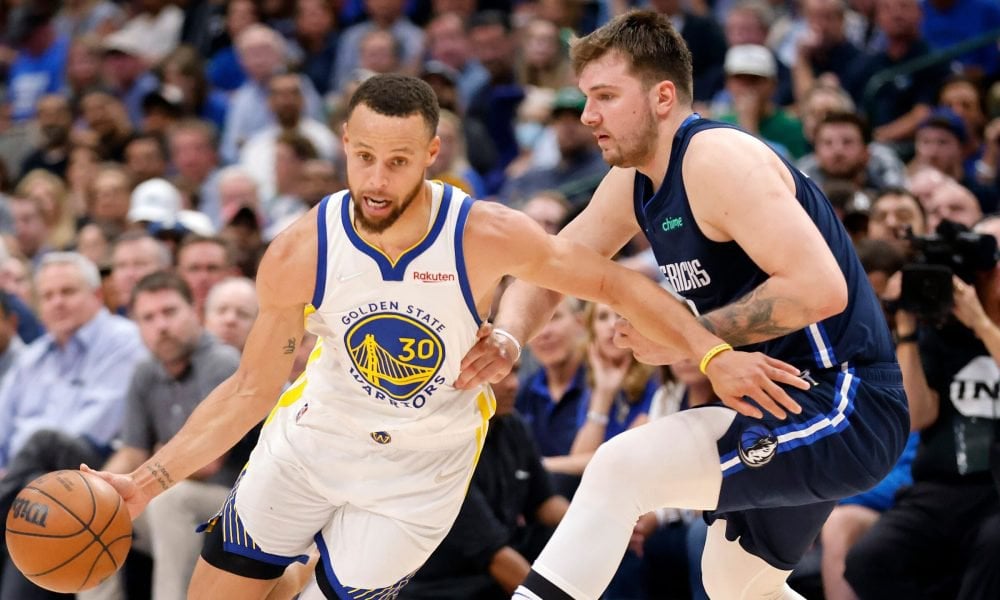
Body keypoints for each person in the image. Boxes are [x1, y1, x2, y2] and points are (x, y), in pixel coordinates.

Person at [83, 74, 804, 600]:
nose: (376, 179)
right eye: (364, 156)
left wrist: (712, 351)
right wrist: (143, 484)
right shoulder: (303, 248)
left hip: (419, 475)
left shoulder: (482, 234)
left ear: (432, 153)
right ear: (344, 145)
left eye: (398, 161)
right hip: (311, 443)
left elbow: (614, 283)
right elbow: (250, 389)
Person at [454, 12, 909, 600]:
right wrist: (508, 338)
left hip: (846, 400)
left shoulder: (717, 159)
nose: (588, 115)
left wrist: (688, 335)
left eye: (605, 96)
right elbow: (552, 266)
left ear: (662, 97)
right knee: (735, 581)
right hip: (777, 398)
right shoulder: (637, 181)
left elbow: (820, 288)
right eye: (587, 98)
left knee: (622, 468)